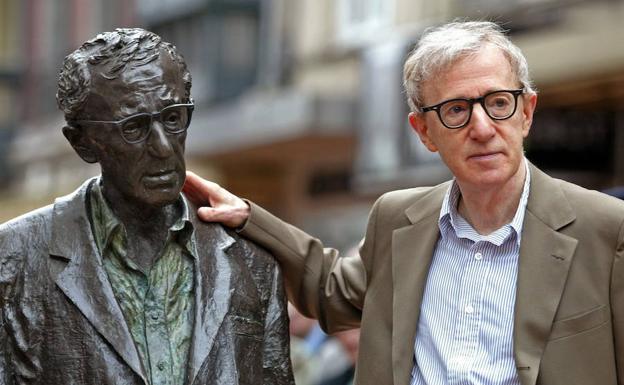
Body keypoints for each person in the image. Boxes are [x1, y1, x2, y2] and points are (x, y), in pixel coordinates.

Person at [183, 21, 624, 385]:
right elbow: (330, 290)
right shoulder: (398, 220)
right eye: (456, 110)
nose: (483, 127)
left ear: (526, 112)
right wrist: (247, 218)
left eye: (498, 103)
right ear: (423, 131)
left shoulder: (605, 227)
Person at [0, 28, 294, 385]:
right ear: (83, 143)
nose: (164, 148)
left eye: (173, 119)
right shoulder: (13, 258)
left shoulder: (252, 261)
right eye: (134, 127)